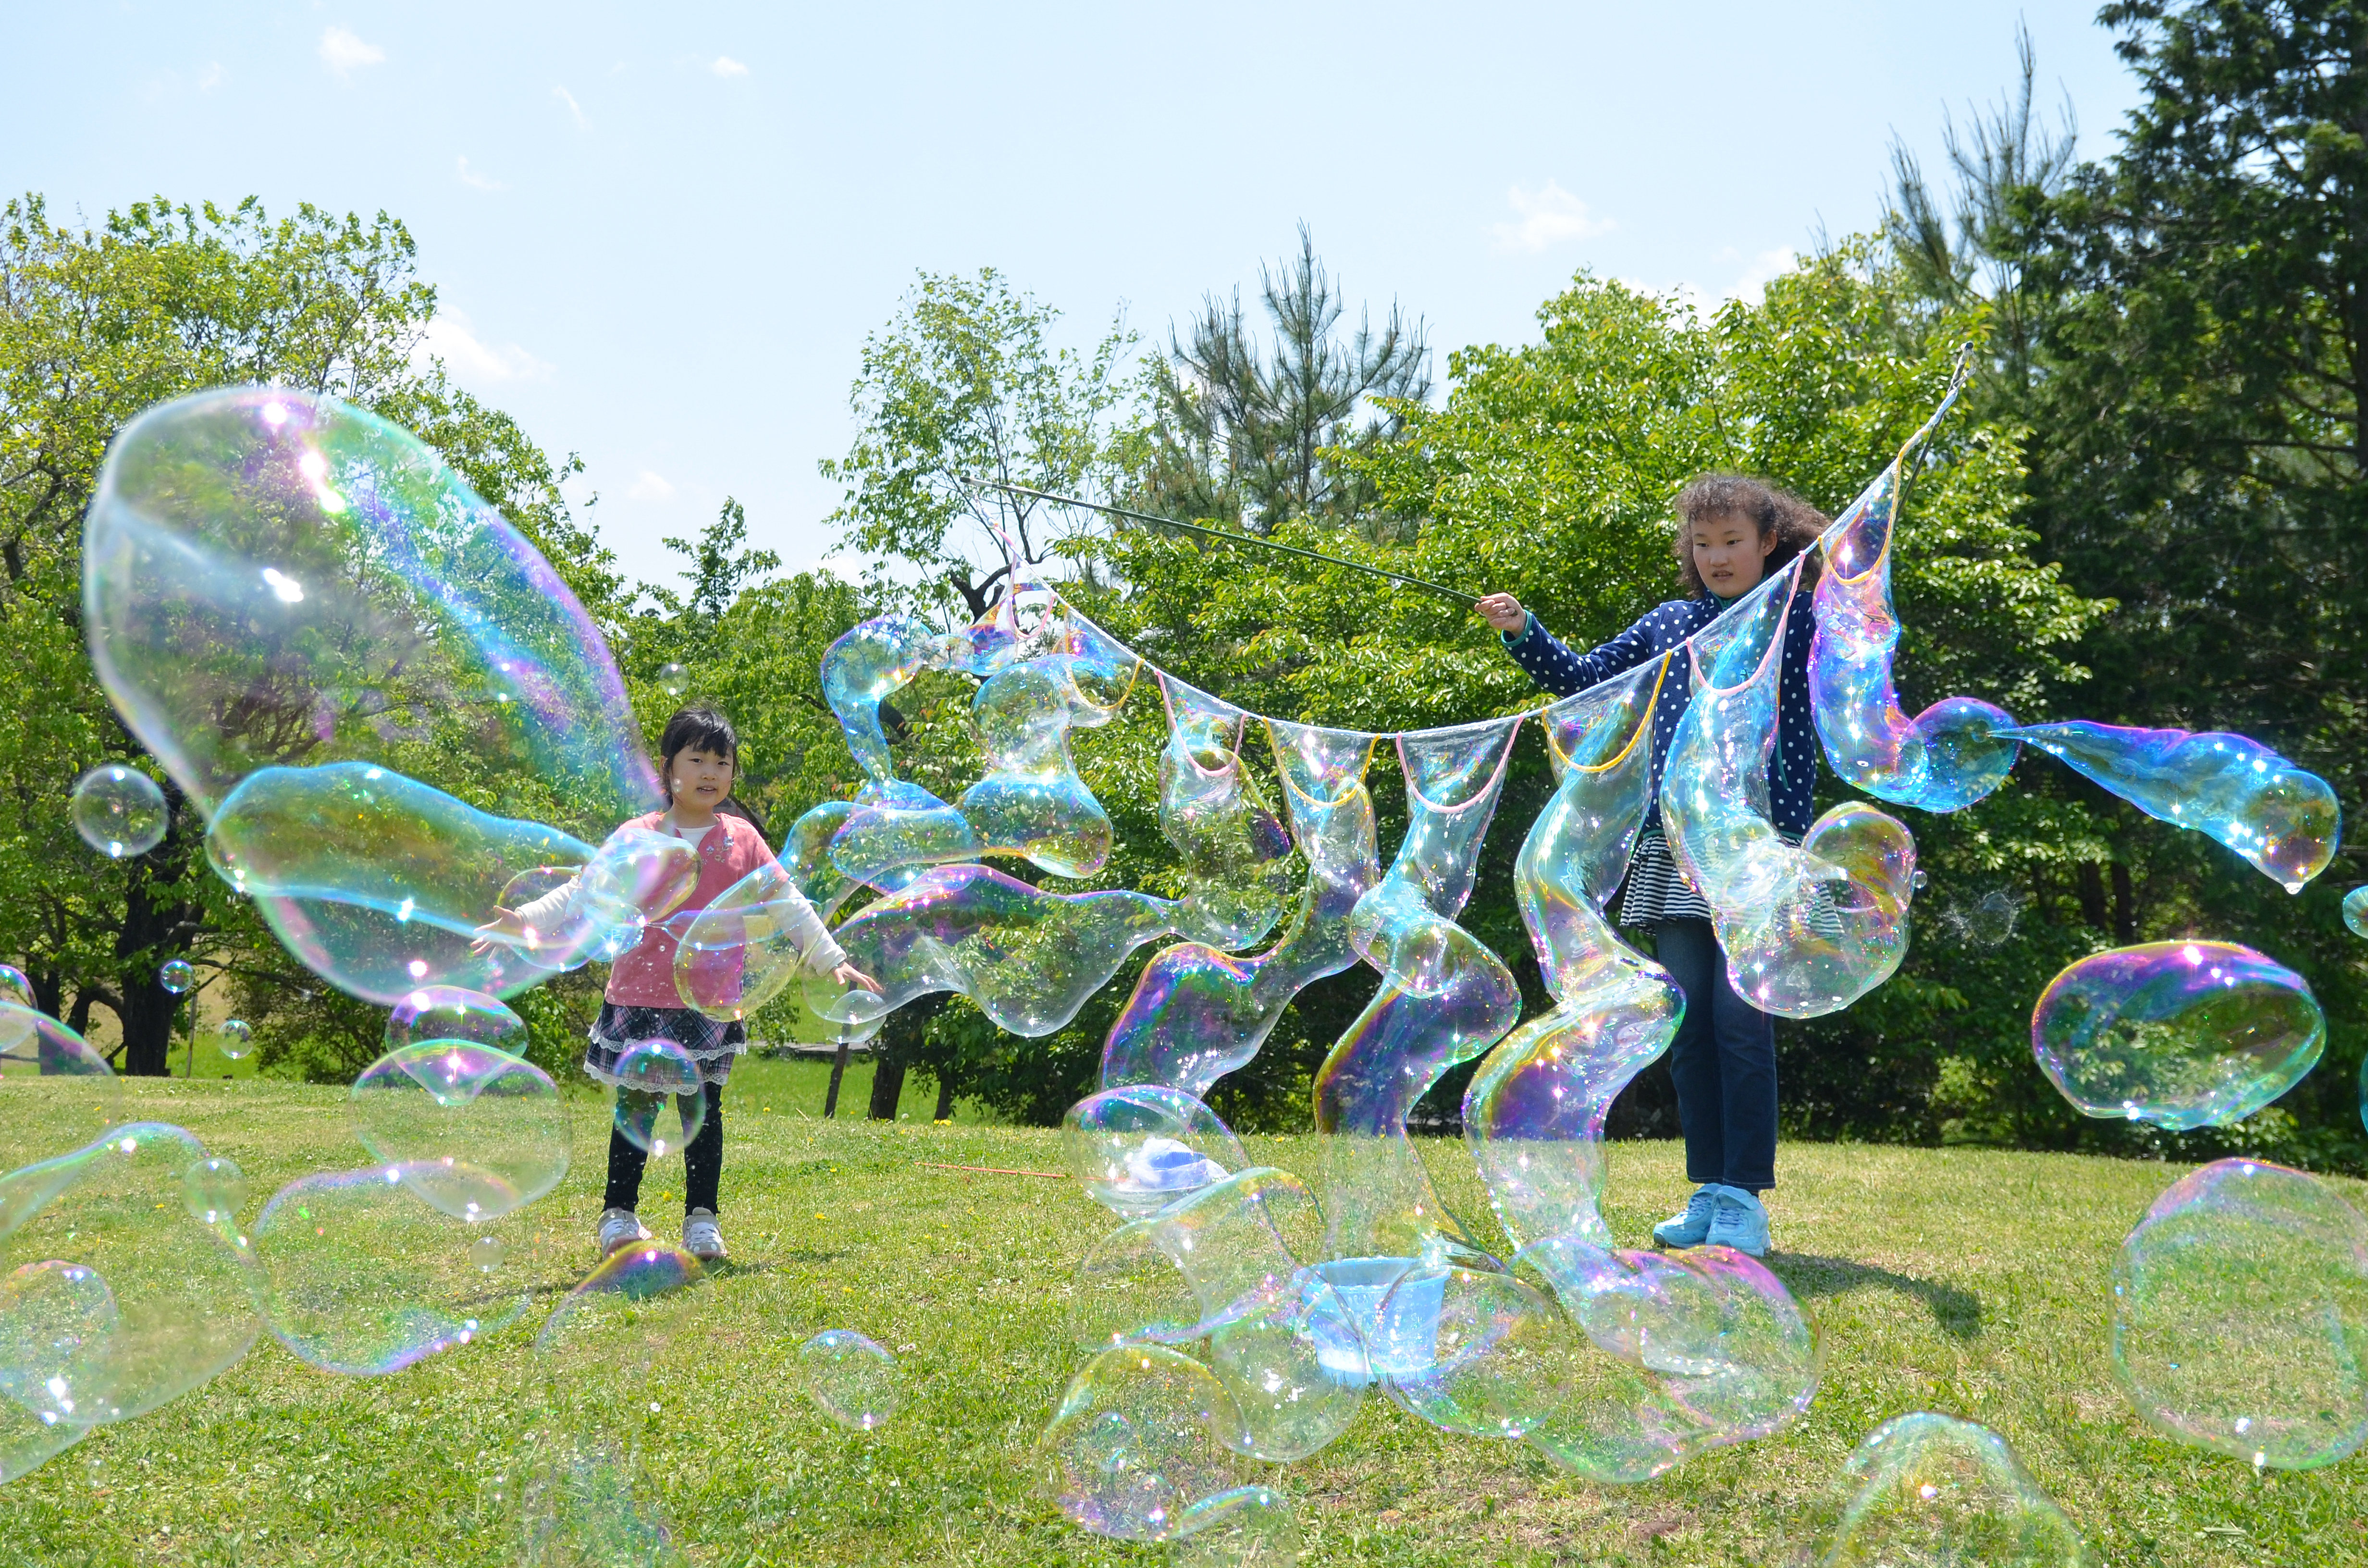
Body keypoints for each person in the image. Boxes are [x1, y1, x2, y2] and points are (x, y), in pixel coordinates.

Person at [1474, 475, 1826, 1259]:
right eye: (1701, 544)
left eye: (1731, 540)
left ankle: (1744, 1197)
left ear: (1767, 540)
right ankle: (1708, 1189)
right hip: (1675, 847)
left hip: (1758, 848)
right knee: (1689, 1025)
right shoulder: (1670, 622)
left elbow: (1835, 681)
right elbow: (1580, 676)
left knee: (1741, 1024)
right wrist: (1522, 627)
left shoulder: (1793, 618)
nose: (1715, 557)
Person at [479, 706, 878, 1261]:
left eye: (722, 762)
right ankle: (618, 1217)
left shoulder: (742, 840)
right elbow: (583, 890)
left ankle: (702, 1221)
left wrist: (828, 955)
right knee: (636, 1109)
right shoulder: (638, 836)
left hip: (709, 1003)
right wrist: (525, 921)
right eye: (697, 760)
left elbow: (787, 902)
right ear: (670, 770)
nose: (710, 771)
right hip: (640, 995)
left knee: (704, 1114)